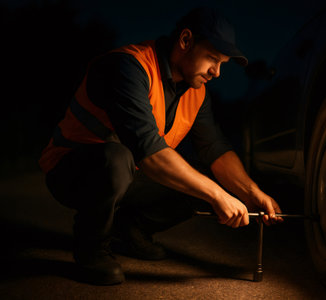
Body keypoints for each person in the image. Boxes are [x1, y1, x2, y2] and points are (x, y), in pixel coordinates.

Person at [39, 6, 283, 285]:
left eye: (222, 64)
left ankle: (130, 232)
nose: (216, 73)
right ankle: (91, 250)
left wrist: (252, 193)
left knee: (204, 174)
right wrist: (217, 195)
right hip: (71, 170)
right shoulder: (128, 67)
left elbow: (215, 149)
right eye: (212, 59)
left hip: (129, 174)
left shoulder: (196, 92)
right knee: (116, 158)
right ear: (185, 40)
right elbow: (150, 153)